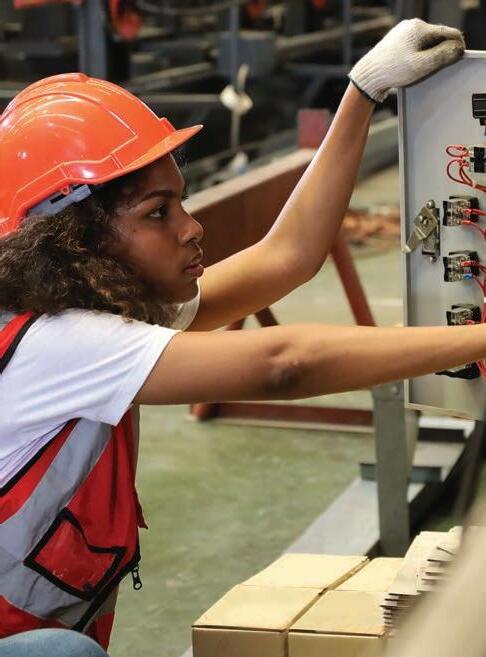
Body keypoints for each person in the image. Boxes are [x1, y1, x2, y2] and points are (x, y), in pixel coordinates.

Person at [0, 16, 472, 655]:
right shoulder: (58, 343)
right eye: (158, 213)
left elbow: (286, 258)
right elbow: (283, 363)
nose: (191, 228)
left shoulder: (90, 306)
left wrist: (363, 91)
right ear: (73, 240)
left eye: (181, 202)